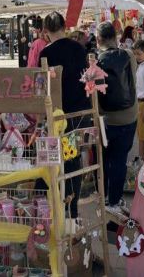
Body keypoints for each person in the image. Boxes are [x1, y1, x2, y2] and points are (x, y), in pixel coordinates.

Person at [38, 12, 90, 218]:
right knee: (73, 160)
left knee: (54, 161)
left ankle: (57, 209)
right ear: (64, 27)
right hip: (79, 112)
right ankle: (72, 208)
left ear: (46, 31)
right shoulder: (79, 48)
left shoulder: (46, 52)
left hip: (57, 115)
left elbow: (41, 86)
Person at [96, 21, 138, 216]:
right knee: (120, 160)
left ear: (98, 39)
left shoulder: (96, 61)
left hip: (106, 120)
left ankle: (103, 196)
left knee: (104, 160)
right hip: (128, 116)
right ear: (116, 36)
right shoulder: (129, 55)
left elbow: (94, 93)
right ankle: (114, 200)